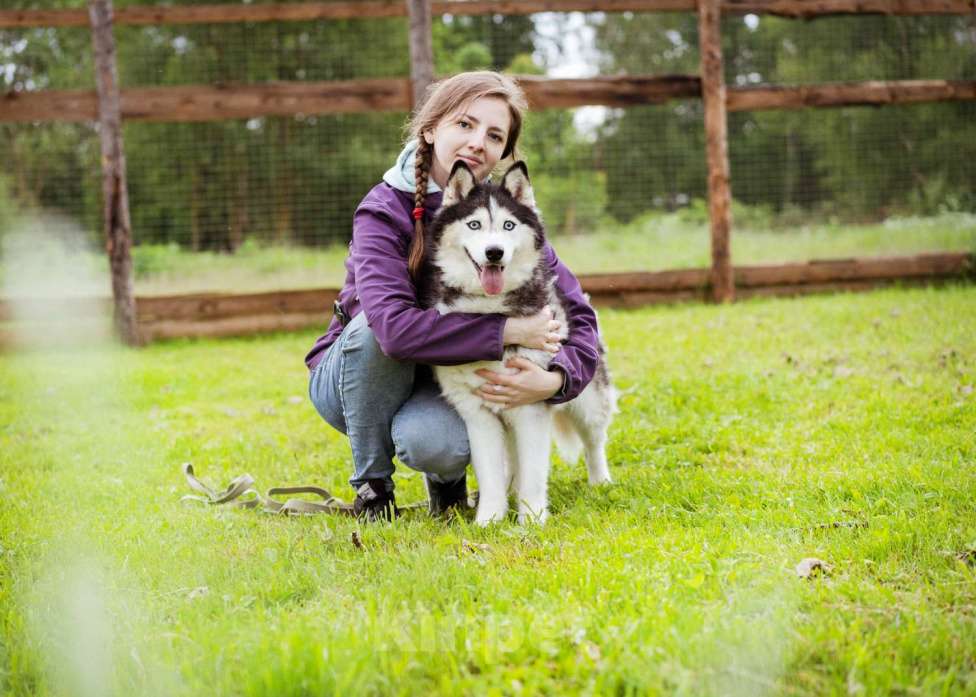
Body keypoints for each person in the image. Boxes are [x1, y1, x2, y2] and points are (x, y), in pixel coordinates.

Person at [305, 71, 602, 521]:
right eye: (465, 124)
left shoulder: (505, 220)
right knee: (372, 328)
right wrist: (508, 330)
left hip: (439, 379)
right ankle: (372, 486)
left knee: (440, 444)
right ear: (430, 128)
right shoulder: (383, 210)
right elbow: (394, 333)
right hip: (355, 379)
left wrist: (556, 380)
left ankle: (448, 488)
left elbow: (578, 315)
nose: (478, 142)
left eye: (494, 135)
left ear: (504, 151)